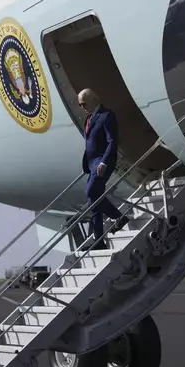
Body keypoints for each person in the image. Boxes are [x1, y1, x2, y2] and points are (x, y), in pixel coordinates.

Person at [79, 88, 129, 250]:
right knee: (94, 202)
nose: (82, 107)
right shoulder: (89, 117)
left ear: (95, 99)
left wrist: (104, 162)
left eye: (84, 103)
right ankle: (99, 241)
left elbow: (112, 141)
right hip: (92, 163)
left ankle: (119, 218)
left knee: (91, 191)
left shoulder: (107, 116)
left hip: (102, 162)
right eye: (80, 104)